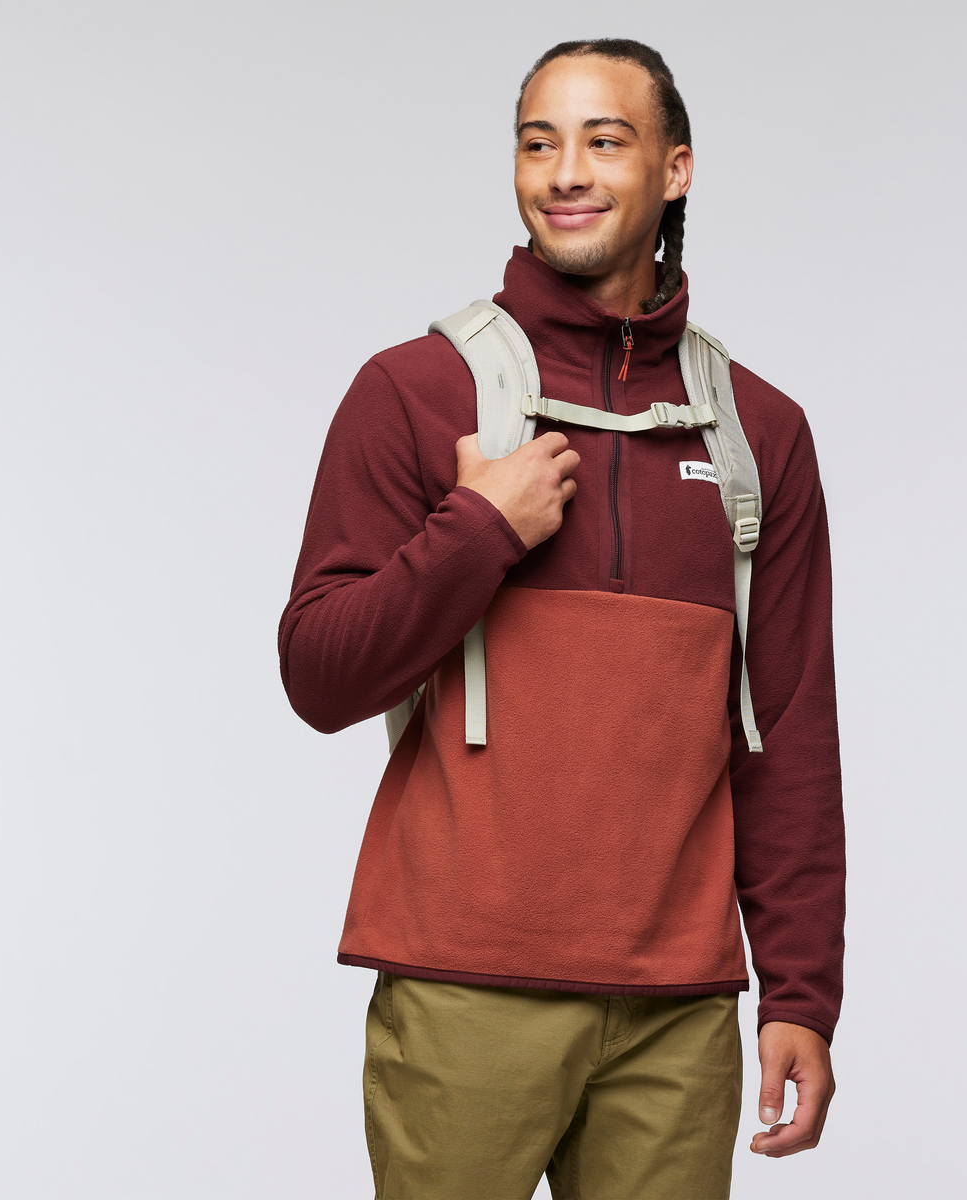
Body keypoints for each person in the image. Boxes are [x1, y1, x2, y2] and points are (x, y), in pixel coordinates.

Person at [279, 37, 845, 1200]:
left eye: (603, 140)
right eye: (539, 143)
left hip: (678, 1008)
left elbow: (784, 733)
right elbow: (319, 675)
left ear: (675, 171)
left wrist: (800, 993)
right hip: (463, 983)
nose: (565, 172)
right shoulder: (414, 391)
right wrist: (479, 530)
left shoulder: (759, 432)